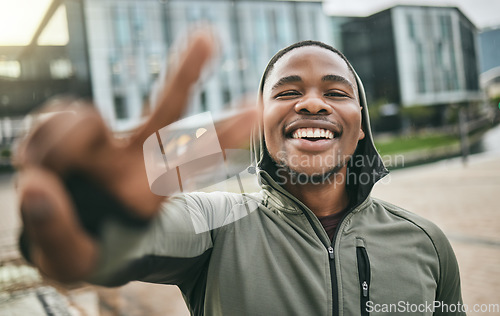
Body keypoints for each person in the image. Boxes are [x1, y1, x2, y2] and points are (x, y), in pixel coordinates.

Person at [17, 31, 464, 315]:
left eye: (335, 91)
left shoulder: (427, 244)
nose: (311, 103)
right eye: (288, 92)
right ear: (262, 125)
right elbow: (97, 252)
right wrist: (90, 206)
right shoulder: (213, 228)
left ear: (361, 122)